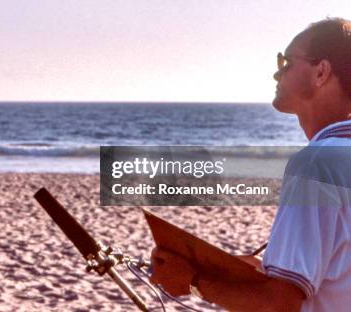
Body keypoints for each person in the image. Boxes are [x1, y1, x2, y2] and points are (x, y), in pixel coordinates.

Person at [150, 18, 351, 311]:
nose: (276, 73)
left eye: (285, 62)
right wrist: (262, 270)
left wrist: (193, 280)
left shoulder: (316, 165)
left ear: (321, 72)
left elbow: (279, 305)